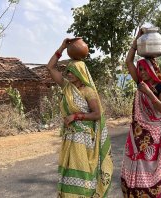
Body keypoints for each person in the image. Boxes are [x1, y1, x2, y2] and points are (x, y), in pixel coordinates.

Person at [47, 38, 113, 197]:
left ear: (80, 73)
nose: (68, 74)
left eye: (71, 71)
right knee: (68, 172)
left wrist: (76, 116)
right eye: (67, 71)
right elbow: (50, 67)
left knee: (82, 174)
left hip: (83, 139)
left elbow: (97, 114)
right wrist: (62, 47)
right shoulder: (66, 86)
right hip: (70, 138)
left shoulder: (88, 92)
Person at [120, 29, 161, 197]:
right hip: (136, 132)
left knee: (147, 166)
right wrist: (136, 41)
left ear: (152, 70)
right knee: (134, 164)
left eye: (143, 70)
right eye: (139, 70)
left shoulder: (159, 86)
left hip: (152, 135)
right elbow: (128, 61)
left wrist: (149, 93)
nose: (140, 73)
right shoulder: (140, 83)